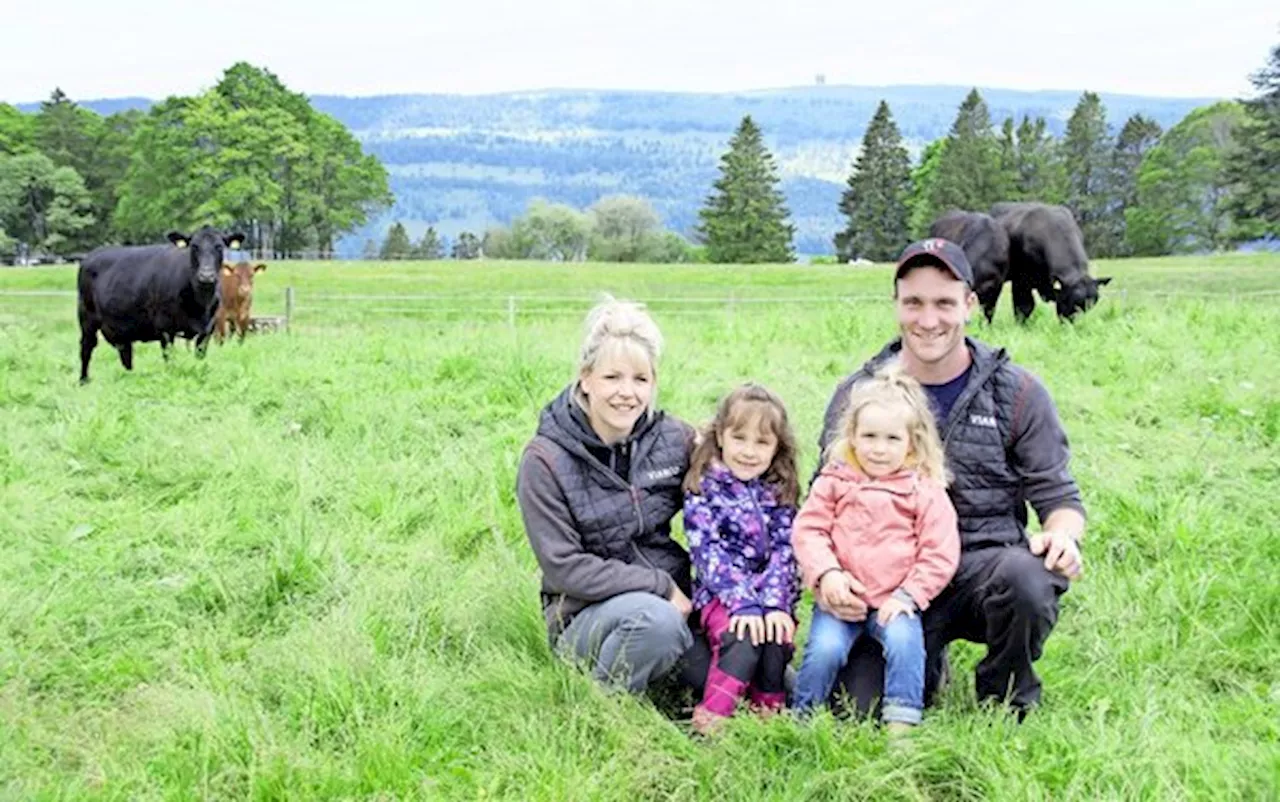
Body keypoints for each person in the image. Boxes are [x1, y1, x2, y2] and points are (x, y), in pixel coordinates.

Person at [816, 237, 1086, 720]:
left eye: (944, 302)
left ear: (970, 303)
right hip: (886, 582)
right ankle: (926, 662)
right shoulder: (859, 394)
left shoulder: (1018, 392)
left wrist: (1063, 536)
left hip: (983, 568)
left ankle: (1006, 693)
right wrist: (827, 575)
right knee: (857, 712)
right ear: (896, 305)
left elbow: (1058, 494)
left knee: (1029, 577)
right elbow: (824, 499)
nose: (928, 319)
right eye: (913, 303)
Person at [516, 296, 699, 693]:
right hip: (585, 614)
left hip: (676, 600)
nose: (627, 393)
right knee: (656, 624)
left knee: (746, 670)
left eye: (640, 379)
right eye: (612, 377)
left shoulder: (675, 440)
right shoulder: (544, 460)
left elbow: (727, 495)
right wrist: (660, 586)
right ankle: (603, 710)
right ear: (586, 378)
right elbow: (564, 567)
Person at [790, 363, 959, 732]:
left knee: (904, 644)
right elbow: (809, 530)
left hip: (895, 600)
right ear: (852, 435)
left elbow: (939, 551)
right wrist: (828, 575)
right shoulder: (835, 480)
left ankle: (902, 721)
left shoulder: (923, 489)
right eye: (869, 437)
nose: (879, 450)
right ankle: (802, 716)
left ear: (912, 442)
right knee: (825, 650)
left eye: (892, 439)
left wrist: (908, 596)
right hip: (841, 599)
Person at [681, 383, 801, 735]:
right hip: (722, 596)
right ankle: (711, 721)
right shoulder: (705, 487)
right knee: (743, 637)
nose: (749, 452)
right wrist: (743, 603)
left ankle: (767, 715)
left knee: (776, 637)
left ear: (777, 446)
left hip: (769, 595)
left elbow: (786, 549)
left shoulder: (779, 488)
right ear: (720, 436)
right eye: (739, 438)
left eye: (762, 442)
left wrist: (775, 604)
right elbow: (707, 552)